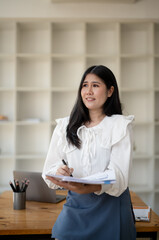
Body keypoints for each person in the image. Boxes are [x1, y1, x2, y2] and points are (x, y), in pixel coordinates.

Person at [42, 65, 136, 240]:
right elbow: (49, 167)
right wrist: (59, 171)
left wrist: (87, 187)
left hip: (111, 212)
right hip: (75, 208)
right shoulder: (65, 126)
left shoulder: (120, 125)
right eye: (85, 85)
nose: (88, 91)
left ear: (110, 91)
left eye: (95, 85)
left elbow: (119, 175)